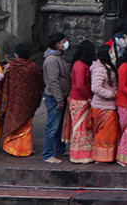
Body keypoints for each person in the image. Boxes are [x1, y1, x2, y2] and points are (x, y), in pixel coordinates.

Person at [0, 43, 42, 157]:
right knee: (26, 127)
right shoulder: (33, 68)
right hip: (28, 103)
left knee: (13, 123)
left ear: (17, 55)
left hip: (13, 103)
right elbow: (38, 85)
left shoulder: (10, 67)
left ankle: (11, 148)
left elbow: (5, 85)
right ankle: (24, 150)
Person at [41, 33, 70, 163]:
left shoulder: (58, 57)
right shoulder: (52, 60)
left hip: (60, 96)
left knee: (58, 126)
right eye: (64, 41)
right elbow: (53, 81)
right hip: (54, 97)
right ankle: (47, 154)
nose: (66, 43)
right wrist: (59, 99)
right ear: (57, 44)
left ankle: (60, 149)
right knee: (52, 126)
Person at [66, 40, 95, 164]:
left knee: (84, 128)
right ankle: (79, 155)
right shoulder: (80, 65)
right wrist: (89, 97)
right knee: (80, 128)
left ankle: (85, 154)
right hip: (79, 99)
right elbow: (80, 85)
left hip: (81, 99)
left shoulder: (81, 64)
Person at [89, 45, 119, 163]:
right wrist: (111, 95)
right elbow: (96, 88)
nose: (113, 53)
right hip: (103, 105)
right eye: (111, 51)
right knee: (104, 133)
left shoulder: (107, 66)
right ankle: (101, 158)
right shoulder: (99, 69)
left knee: (110, 133)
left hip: (109, 105)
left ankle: (108, 156)